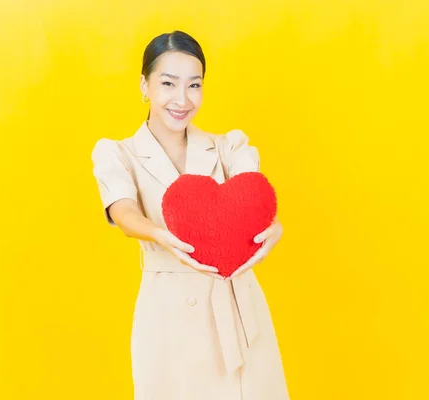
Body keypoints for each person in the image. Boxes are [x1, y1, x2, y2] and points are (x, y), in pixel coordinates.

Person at [91, 30, 289, 400]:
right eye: (168, 83)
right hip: (167, 314)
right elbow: (122, 209)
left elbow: (253, 195)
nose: (182, 99)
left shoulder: (228, 145)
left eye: (194, 85)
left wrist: (273, 227)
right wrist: (158, 233)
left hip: (235, 307)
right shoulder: (118, 153)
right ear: (144, 85)